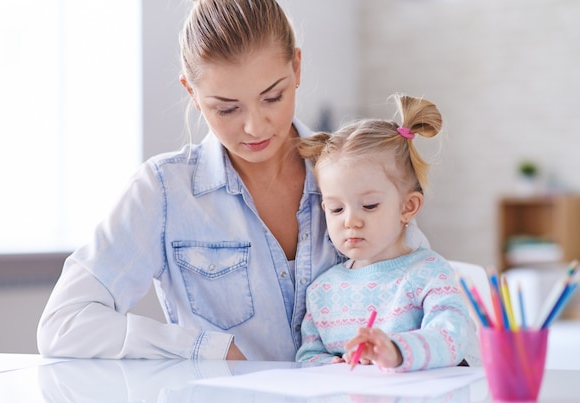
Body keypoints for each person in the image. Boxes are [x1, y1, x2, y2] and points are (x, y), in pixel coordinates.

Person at [37, 0, 429, 361]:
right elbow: (63, 324)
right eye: (226, 108)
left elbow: (426, 296)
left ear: (296, 68)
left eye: (272, 97)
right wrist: (205, 349)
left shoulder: (360, 172)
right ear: (191, 92)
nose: (255, 126)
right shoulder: (163, 191)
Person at [295, 94, 480, 370]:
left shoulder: (429, 274)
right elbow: (307, 356)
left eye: (369, 205)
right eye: (335, 209)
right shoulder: (321, 290)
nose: (351, 221)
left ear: (408, 206)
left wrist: (396, 351)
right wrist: (329, 364)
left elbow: (452, 338)